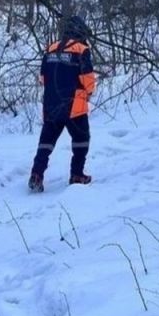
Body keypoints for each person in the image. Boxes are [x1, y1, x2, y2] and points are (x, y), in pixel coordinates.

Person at [28, 15, 97, 193]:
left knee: (46, 143)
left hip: (51, 105)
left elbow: (43, 78)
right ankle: (77, 174)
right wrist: (88, 92)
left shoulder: (51, 49)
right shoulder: (82, 50)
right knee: (81, 140)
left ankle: (36, 174)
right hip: (74, 106)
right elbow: (88, 81)